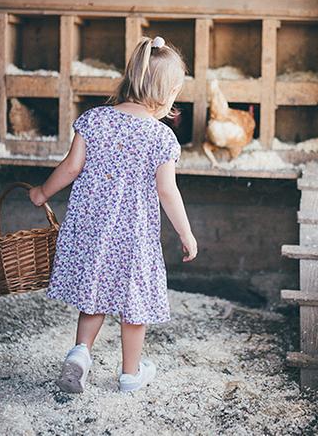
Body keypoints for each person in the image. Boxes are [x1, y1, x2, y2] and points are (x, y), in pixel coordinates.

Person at [29, 36, 197, 394]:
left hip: (92, 230)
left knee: (94, 296)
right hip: (134, 237)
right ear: (166, 93)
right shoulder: (161, 137)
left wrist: (42, 192)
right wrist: (186, 233)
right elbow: (168, 191)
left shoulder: (93, 120)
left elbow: (71, 168)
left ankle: (79, 355)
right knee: (134, 305)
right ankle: (130, 374)